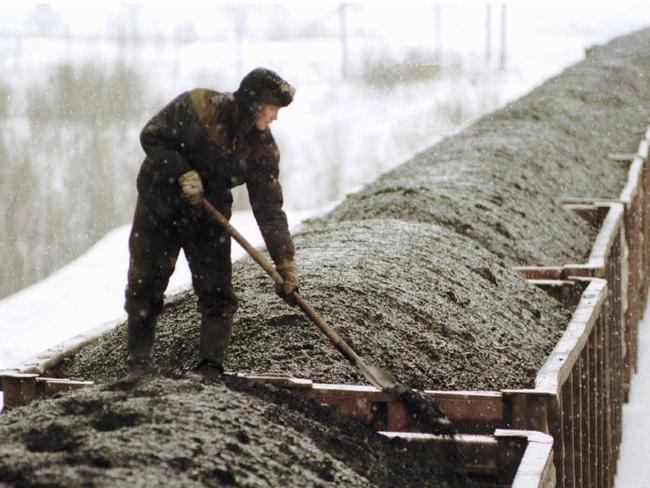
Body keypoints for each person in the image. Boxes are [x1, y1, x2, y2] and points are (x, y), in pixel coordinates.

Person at [124, 67, 299, 378]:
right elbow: (151, 135)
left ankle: (210, 368)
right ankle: (138, 365)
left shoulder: (262, 148)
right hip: (159, 204)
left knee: (217, 291)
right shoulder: (198, 105)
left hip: (208, 212)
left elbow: (269, 208)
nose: (275, 117)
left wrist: (285, 261)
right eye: (272, 109)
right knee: (145, 284)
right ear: (254, 103)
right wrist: (181, 171)